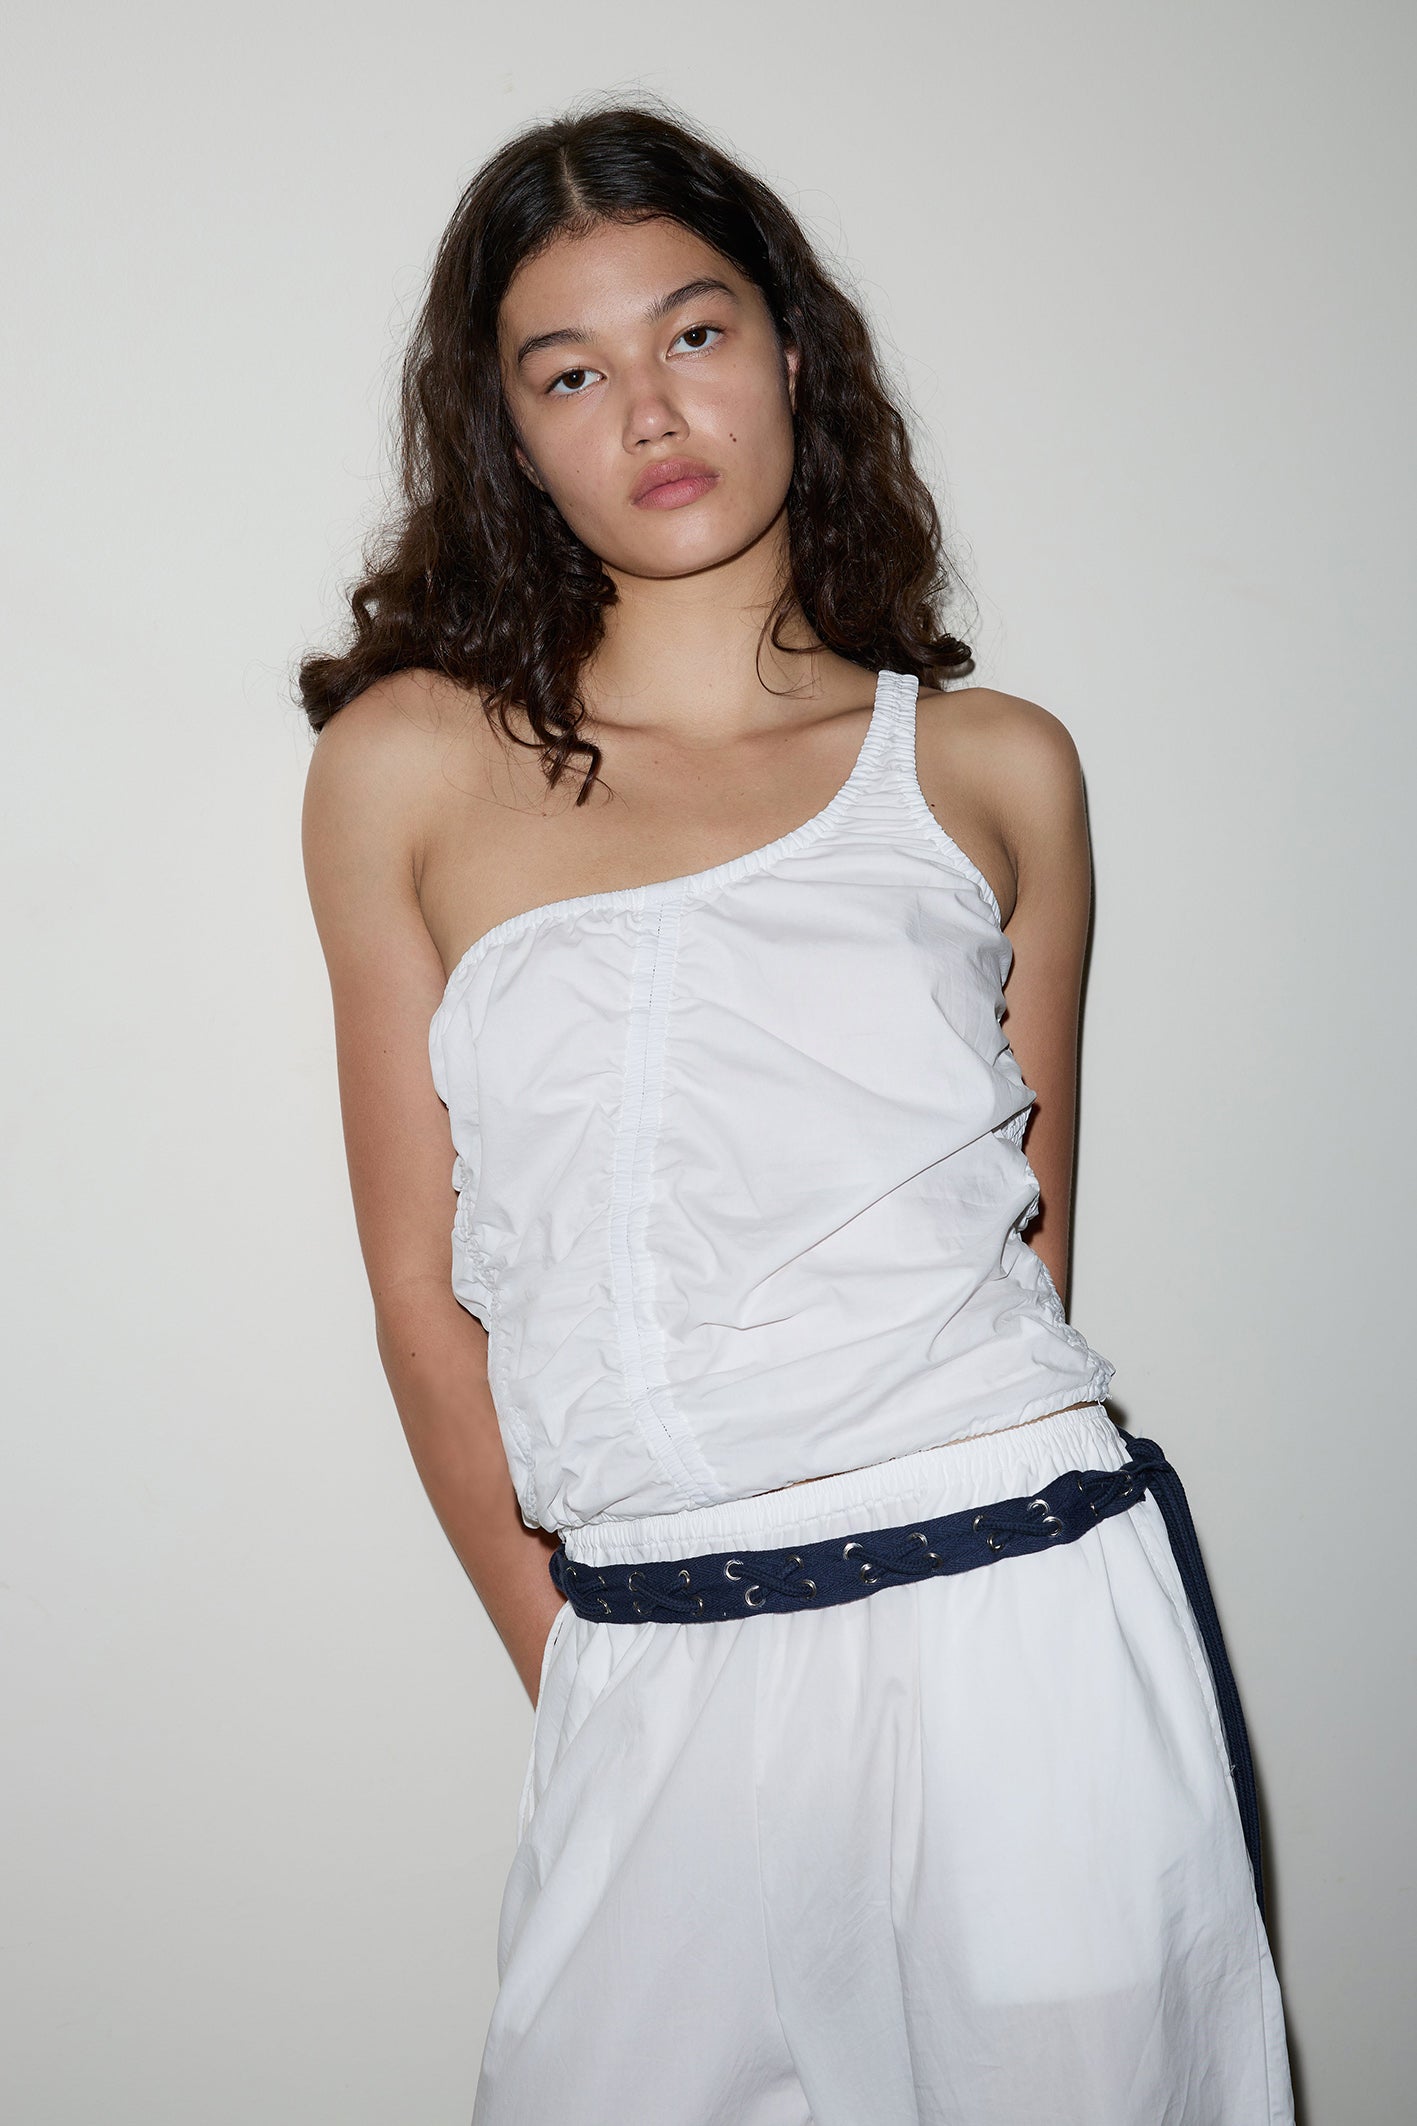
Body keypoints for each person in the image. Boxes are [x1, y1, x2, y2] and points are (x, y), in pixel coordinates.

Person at [299, 99, 1296, 2126]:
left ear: (789, 355)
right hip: (661, 1638)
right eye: (567, 371)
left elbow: (1026, 1242)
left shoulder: (992, 766)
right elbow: (420, 1290)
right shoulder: (406, 765)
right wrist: (578, 1662)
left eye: (696, 332)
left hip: (1027, 1625)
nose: (649, 410)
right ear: (508, 432)